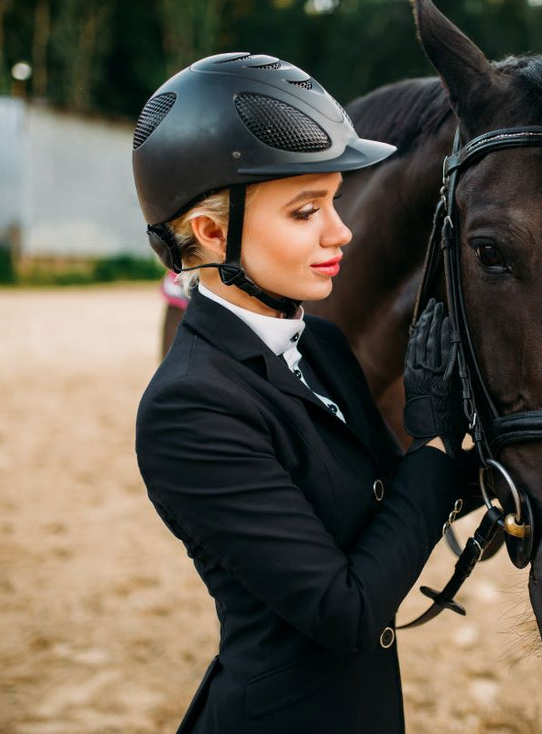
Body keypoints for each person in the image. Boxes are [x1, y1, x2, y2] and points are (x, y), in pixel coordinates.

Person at [131, 52, 468, 734]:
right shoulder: (189, 409)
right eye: (306, 210)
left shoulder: (320, 345)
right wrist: (432, 447)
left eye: (335, 201)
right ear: (212, 232)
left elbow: (393, 505)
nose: (340, 231)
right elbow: (346, 608)